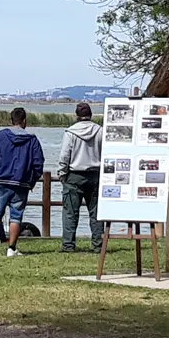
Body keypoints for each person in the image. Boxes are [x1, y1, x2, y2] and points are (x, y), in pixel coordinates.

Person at [0, 106, 44, 258]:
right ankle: (12, 248)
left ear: (11, 120)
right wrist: (32, 180)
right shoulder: (32, 140)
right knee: (16, 216)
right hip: (21, 183)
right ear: (25, 121)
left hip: (1, 180)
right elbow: (38, 163)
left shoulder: (1, 136)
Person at [53, 100, 103, 253]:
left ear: (76, 116)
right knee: (96, 212)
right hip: (95, 174)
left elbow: (64, 155)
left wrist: (62, 173)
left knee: (70, 212)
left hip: (74, 175)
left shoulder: (70, 132)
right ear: (90, 115)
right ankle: (98, 245)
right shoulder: (100, 131)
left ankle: (68, 245)